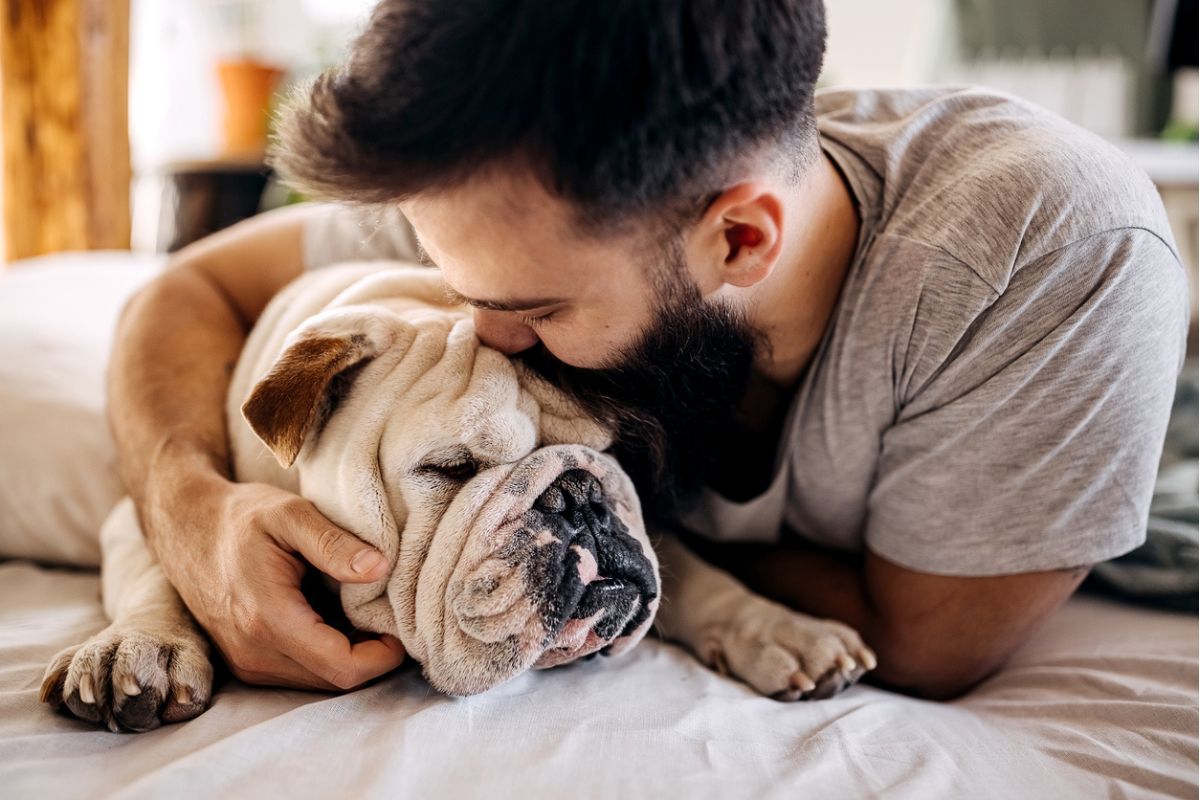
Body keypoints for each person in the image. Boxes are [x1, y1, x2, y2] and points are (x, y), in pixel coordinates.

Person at [109, 0, 1189, 699]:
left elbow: (925, 643)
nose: (485, 333)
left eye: (533, 310)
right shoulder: (509, 202)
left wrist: (579, 543)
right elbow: (190, 287)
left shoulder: (1052, 255)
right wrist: (188, 506)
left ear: (740, 238)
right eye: (468, 294)